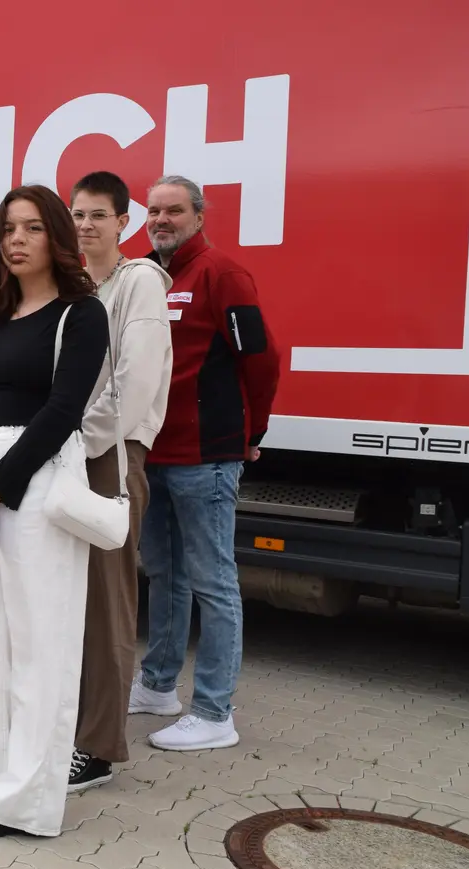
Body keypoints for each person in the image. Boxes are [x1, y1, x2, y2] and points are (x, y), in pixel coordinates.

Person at [0, 185, 110, 838]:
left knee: (43, 644)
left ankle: (30, 800)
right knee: (4, 640)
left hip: (35, 483)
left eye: (31, 228)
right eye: (8, 228)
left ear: (57, 237)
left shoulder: (81, 313)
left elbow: (64, 409)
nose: (14, 239)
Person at [132, 175, 281, 751]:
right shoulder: (147, 275)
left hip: (206, 457)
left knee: (213, 582)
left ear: (198, 215)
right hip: (155, 453)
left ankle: (216, 713)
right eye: (153, 211)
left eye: (173, 210)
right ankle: (158, 685)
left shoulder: (222, 274)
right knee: (164, 574)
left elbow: (260, 360)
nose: (161, 219)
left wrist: (253, 429)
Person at [64, 171, 174, 790]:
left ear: (123, 222)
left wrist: (78, 439)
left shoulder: (139, 284)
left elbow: (132, 387)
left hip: (108, 453)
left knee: (108, 604)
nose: (86, 225)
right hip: (68, 452)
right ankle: (70, 727)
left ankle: (99, 746)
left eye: (98, 214)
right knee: (69, 601)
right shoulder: (77, 288)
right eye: (78, 214)